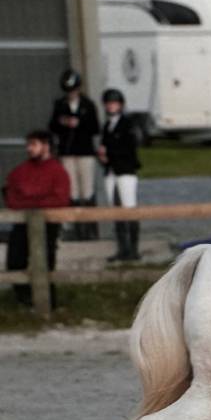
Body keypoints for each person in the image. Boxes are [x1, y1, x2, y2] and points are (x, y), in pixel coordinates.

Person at [3, 130, 71, 308]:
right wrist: (36, 200)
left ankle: (48, 302)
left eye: (34, 144)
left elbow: (60, 199)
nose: (29, 148)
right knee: (15, 261)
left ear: (46, 146)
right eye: (28, 144)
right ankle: (24, 300)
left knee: (46, 262)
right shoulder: (20, 171)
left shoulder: (57, 171)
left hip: (48, 224)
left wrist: (29, 200)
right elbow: (10, 197)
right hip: (22, 222)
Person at [48, 69, 100, 240]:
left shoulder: (88, 105)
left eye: (74, 90)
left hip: (84, 151)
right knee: (73, 190)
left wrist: (80, 123)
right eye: (69, 91)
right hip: (68, 152)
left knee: (87, 189)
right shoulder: (60, 104)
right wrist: (63, 122)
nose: (71, 93)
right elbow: (52, 126)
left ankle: (90, 228)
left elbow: (95, 127)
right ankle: (75, 228)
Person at [98, 88, 143, 261]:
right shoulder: (107, 126)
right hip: (111, 171)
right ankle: (122, 248)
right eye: (109, 103)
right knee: (115, 210)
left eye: (114, 103)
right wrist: (103, 156)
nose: (111, 106)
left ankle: (133, 249)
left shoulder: (127, 124)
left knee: (129, 207)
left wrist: (109, 153)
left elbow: (128, 148)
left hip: (125, 171)